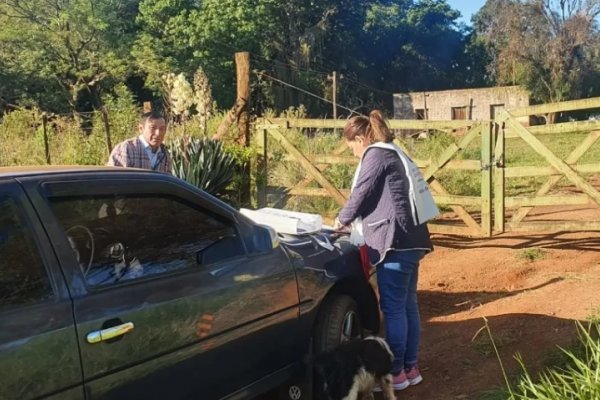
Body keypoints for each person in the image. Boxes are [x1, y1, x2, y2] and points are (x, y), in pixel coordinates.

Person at [333, 110, 438, 391]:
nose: (354, 153)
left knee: (393, 308)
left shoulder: (376, 155)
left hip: (394, 242)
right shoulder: (395, 152)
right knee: (407, 305)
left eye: (352, 147)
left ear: (360, 138)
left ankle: (394, 373)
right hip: (413, 238)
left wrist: (341, 220)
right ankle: (410, 367)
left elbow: (362, 194)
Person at [107, 110, 172, 173]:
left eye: (162, 129)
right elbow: (113, 178)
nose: (158, 133)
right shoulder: (127, 149)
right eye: (153, 128)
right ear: (141, 128)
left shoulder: (165, 153)